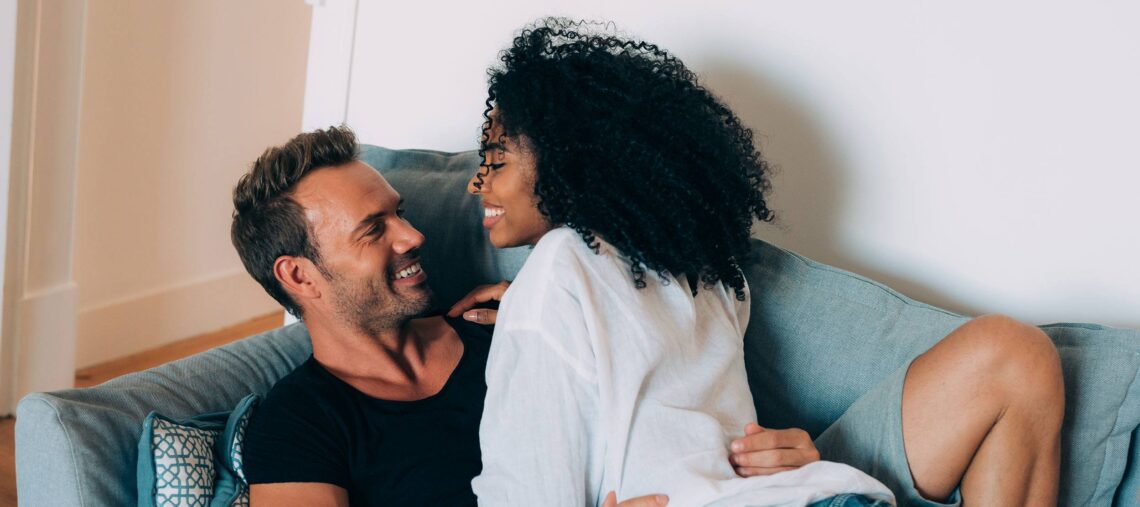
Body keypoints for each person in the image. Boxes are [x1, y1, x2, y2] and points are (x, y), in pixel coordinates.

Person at [461, 18, 1064, 507]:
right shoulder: (702, 272)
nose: (476, 183)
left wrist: (799, 458)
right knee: (1021, 354)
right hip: (830, 494)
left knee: (1014, 355)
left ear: (572, 160)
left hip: (806, 489)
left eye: (496, 158)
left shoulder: (587, 271)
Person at [230, 127, 665, 506]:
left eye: (399, 213)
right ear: (300, 276)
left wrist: (548, 312)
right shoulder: (297, 424)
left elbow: (655, 397)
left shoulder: (500, 324)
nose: (413, 235)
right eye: (374, 229)